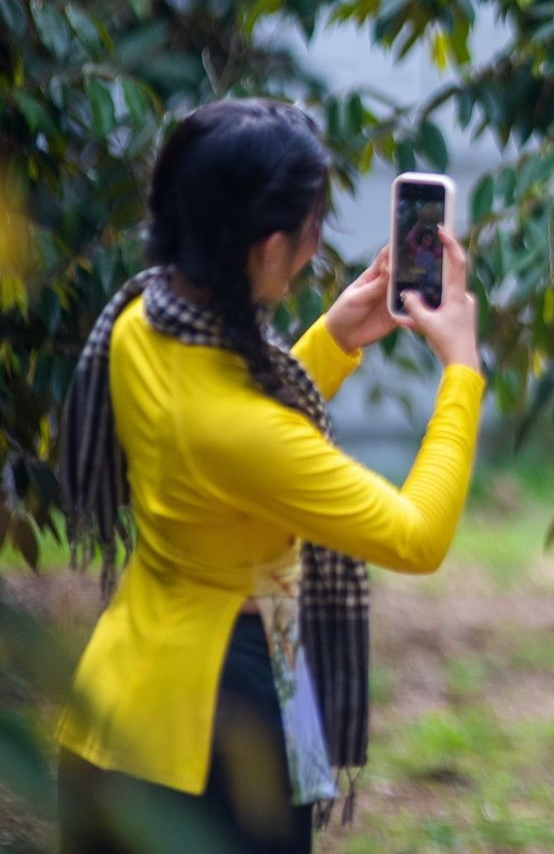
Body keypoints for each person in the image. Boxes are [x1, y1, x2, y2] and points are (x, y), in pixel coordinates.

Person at [54, 99, 484, 852]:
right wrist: (462, 372)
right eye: (313, 228)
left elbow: (231, 455)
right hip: (214, 740)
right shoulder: (241, 427)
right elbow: (418, 536)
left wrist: (335, 338)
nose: (317, 247)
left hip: (116, 710)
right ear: (269, 246)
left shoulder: (140, 324)